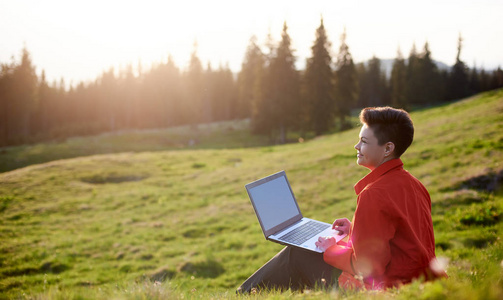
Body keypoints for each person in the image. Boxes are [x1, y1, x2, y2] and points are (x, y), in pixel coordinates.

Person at [236, 106, 445, 294]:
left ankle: (242, 295)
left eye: (363, 141)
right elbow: (401, 235)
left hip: (384, 291)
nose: (356, 146)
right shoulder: (414, 184)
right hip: (419, 283)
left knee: (296, 255)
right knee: (303, 255)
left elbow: (367, 267)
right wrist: (355, 229)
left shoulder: (374, 193)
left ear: (388, 149)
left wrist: (330, 249)